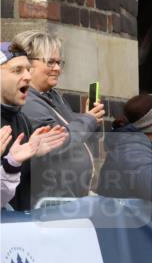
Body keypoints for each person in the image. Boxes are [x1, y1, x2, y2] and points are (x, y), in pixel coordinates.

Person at [14, 30, 104, 200]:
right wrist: (88, 120)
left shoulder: (52, 95)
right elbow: (58, 139)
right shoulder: (27, 100)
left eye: (59, 62)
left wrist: (88, 118)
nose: (57, 68)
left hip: (67, 197)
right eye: (50, 62)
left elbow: (70, 131)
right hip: (51, 200)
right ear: (27, 64)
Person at [0, 40, 68, 211]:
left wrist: (36, 157)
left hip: (21, 228)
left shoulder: (22, 119)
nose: (28, 76)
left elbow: (23, 185)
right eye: (17, 70)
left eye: (28, 70)